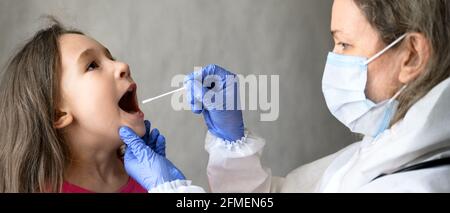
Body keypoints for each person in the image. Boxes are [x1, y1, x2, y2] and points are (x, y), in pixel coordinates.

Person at [120, 0, 450, 193]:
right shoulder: (383, 149)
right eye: (91, 65)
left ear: (411, 56)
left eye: (345, 44)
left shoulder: (417, 182)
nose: (333, 57)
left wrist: (174, 192)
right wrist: (230, 141)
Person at [0, 18, 185, 192]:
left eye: (111, 57)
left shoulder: (151, 178)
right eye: (92, 65)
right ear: (58, 114)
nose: (122, 65)